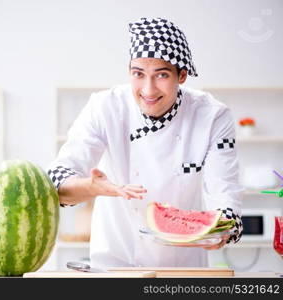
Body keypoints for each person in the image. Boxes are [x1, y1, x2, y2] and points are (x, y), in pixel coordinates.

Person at [47, 17, 243, 268]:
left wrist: (225, 227)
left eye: (161, 75)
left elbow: (224, 187)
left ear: (181, 75)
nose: (148, 90)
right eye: (138, 74)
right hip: (115, 263)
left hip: (183, 267)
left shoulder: (212, 115)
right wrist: (92, 186)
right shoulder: (104, 106)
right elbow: (59, 179)